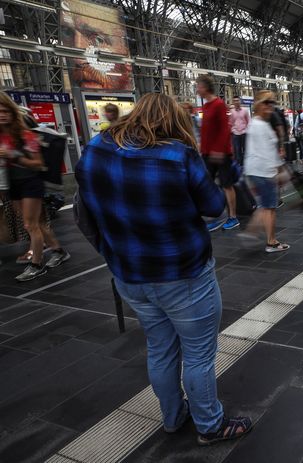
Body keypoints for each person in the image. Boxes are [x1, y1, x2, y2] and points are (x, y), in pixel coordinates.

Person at [75, 93, 251, 445]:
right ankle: (210, 426)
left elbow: (84, 211)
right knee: (199, 355)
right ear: (174, 121)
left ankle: (172, 418)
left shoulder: (95, 149)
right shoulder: (178, 156)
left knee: (160, 348)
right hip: (183, 274)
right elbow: (215, 206)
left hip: (130, 275)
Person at [0, 92, 69, 281]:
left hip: (30, 182)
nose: (2, 115)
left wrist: (12, 154)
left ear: (13, 113)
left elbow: (37, 164)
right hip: (13, 185)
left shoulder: (25, 135)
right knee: (34, 223)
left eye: (5, 111)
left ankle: (37, 264)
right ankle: (58, 251)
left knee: (31, 225)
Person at [243, 90, 289, 253]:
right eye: (268, 103)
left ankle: (251, 232)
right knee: (270, 207)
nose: (271, 107)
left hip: (254, 171)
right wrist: (279, 171)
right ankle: (272, 242)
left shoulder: (254, 123)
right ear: (260, 105)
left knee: (264, 205)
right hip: (264, 172)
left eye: (273, 104)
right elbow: (268, 153)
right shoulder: (261, 126)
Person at [196, 75, 239, 231]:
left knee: (227, 185)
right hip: (207, 153)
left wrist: (219, 150)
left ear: (206, 87)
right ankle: (216, 216)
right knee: (207, 185)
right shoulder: (206, 106)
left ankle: (233, 217)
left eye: (198, 86)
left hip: (221, 154)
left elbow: (225, 130)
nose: (197, 89)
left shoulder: (219, 104)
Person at [229, 96, 250, 166]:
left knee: (245, 149)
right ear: (233, 102)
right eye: (234, 101)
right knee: (237, 150)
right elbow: (231, 122)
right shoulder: (232, 112)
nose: (236, 102)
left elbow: (248, 121)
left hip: (244, 132)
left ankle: (245, 164)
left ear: (240, 101)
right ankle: (240, 165)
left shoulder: (245, 110)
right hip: (235, 133)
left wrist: (247, 130)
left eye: (237, 100)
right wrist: (232, 130)